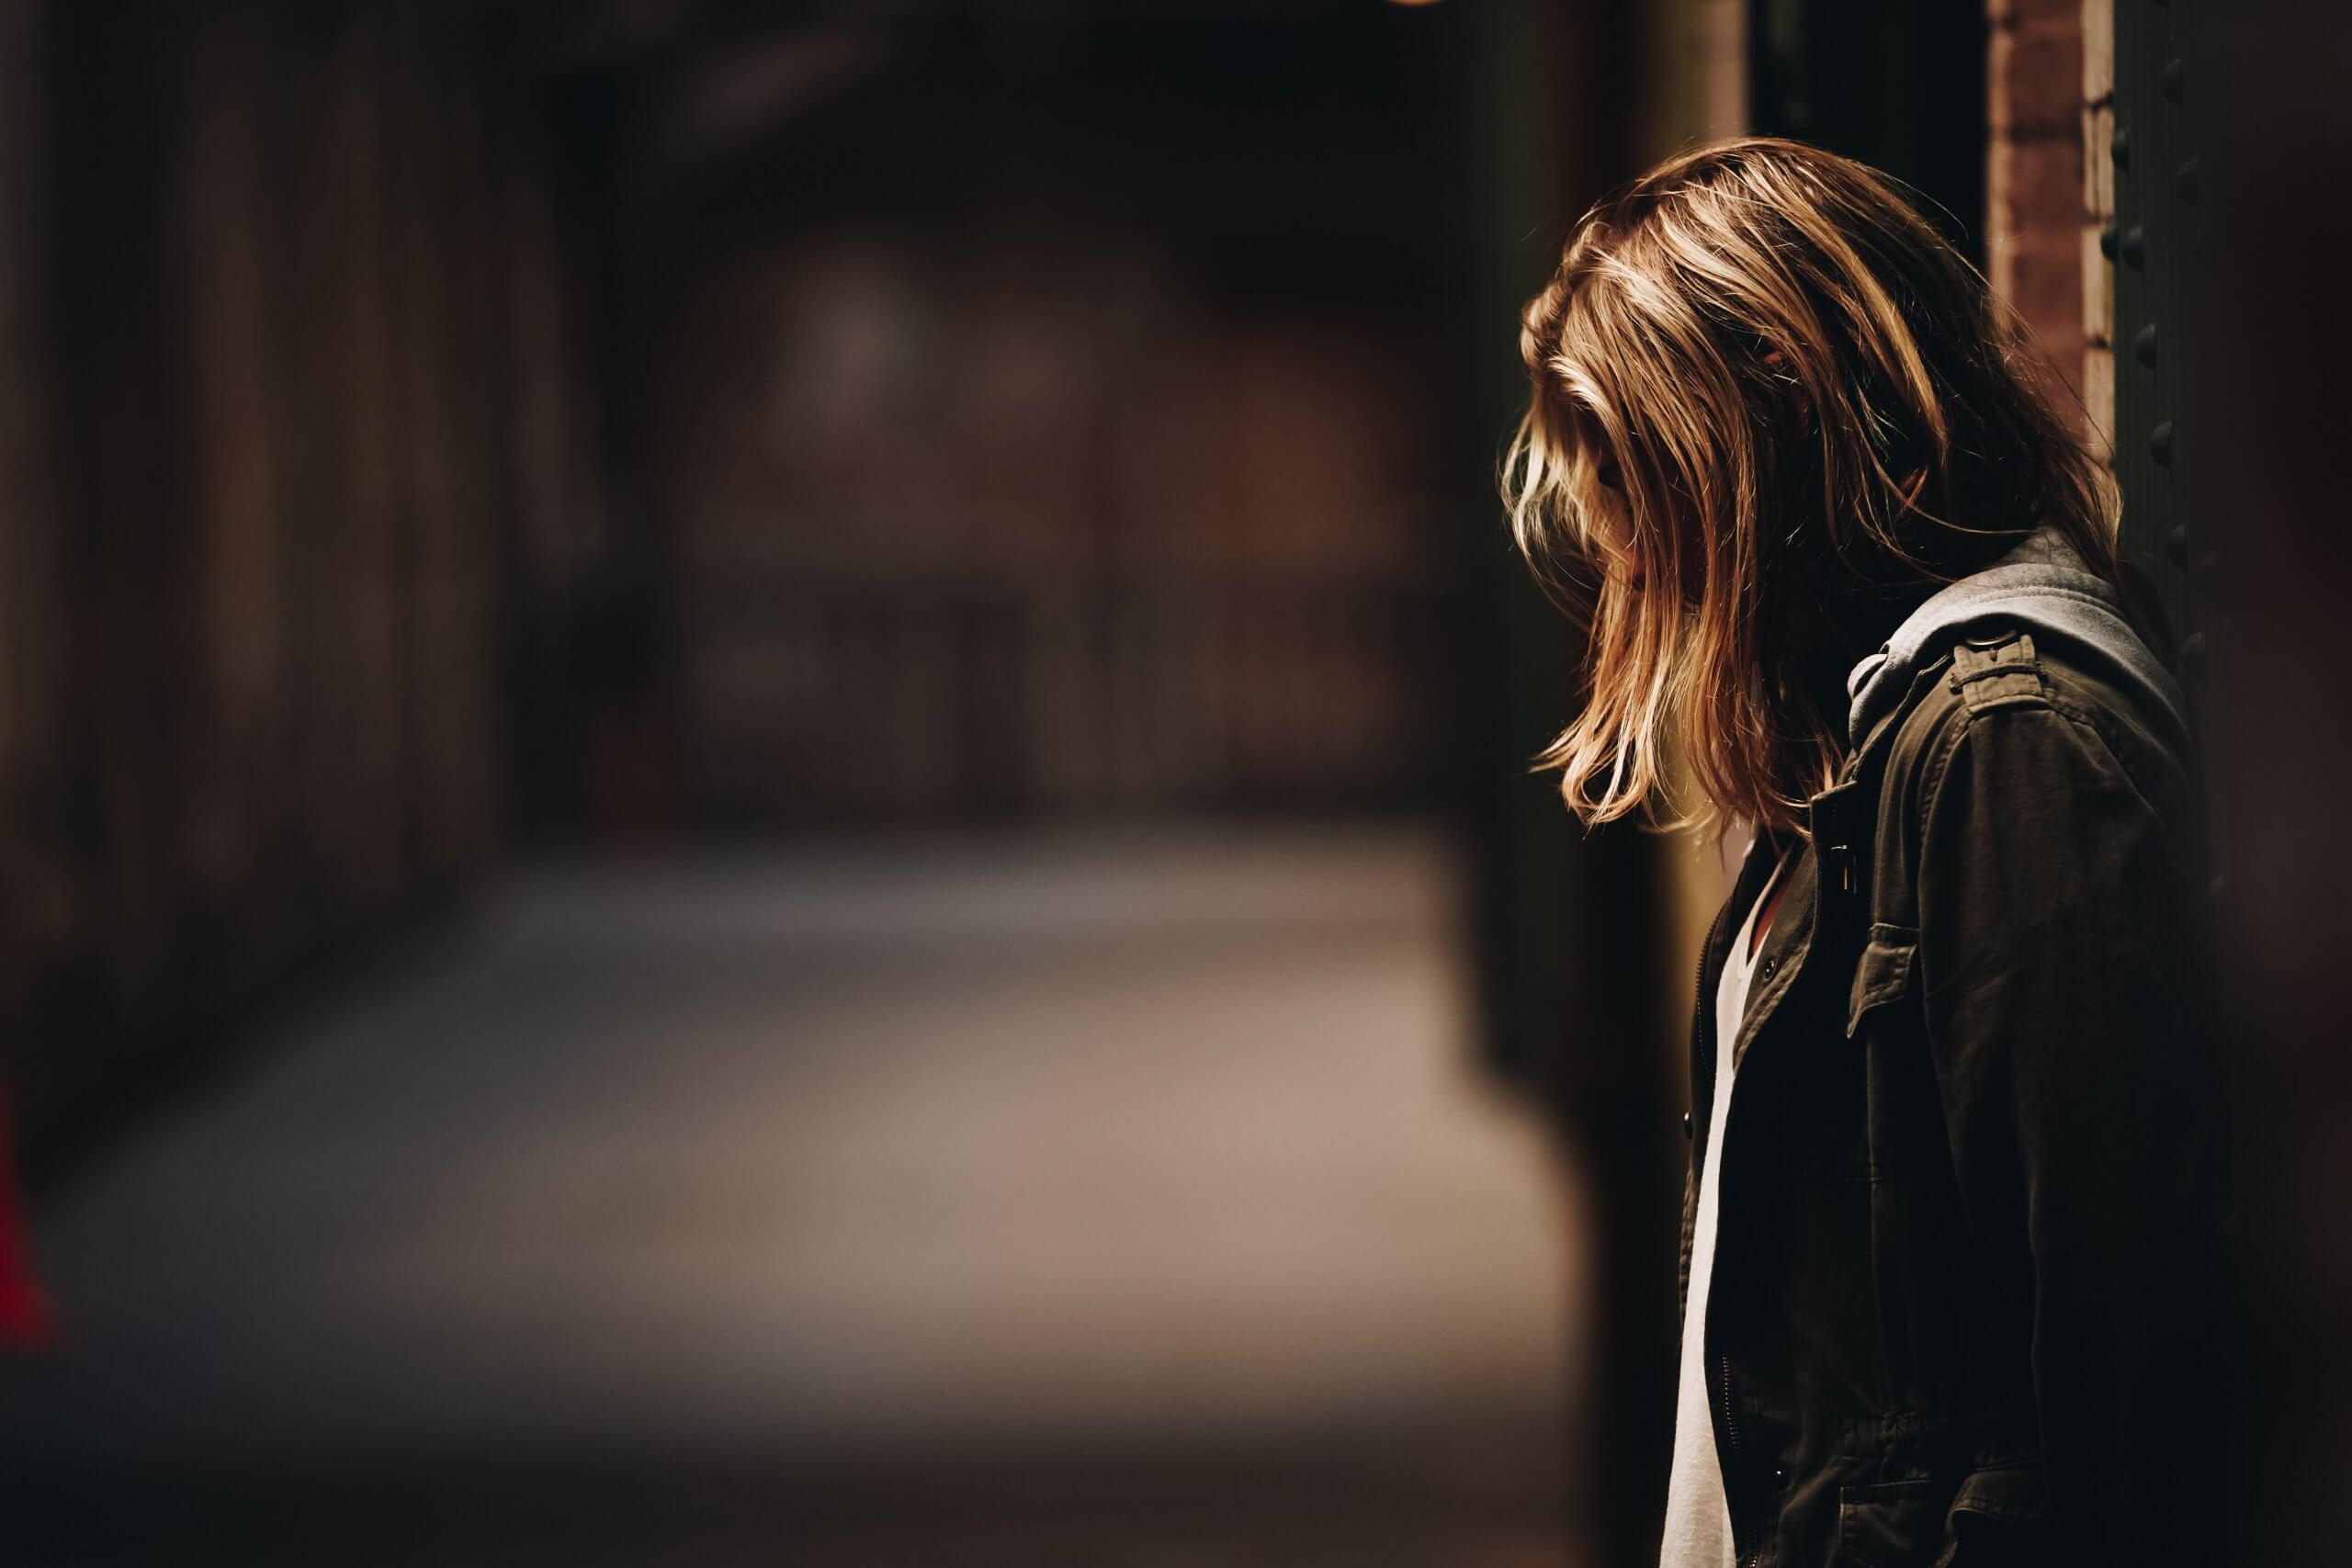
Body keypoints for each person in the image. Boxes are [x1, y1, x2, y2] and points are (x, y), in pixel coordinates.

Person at [1504, 138, 2230, 1566]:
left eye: (1642, 476)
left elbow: (2114, 1385)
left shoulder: (2005, 748)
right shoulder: (1879, 742)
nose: (1633, 559)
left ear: (1777, 400)